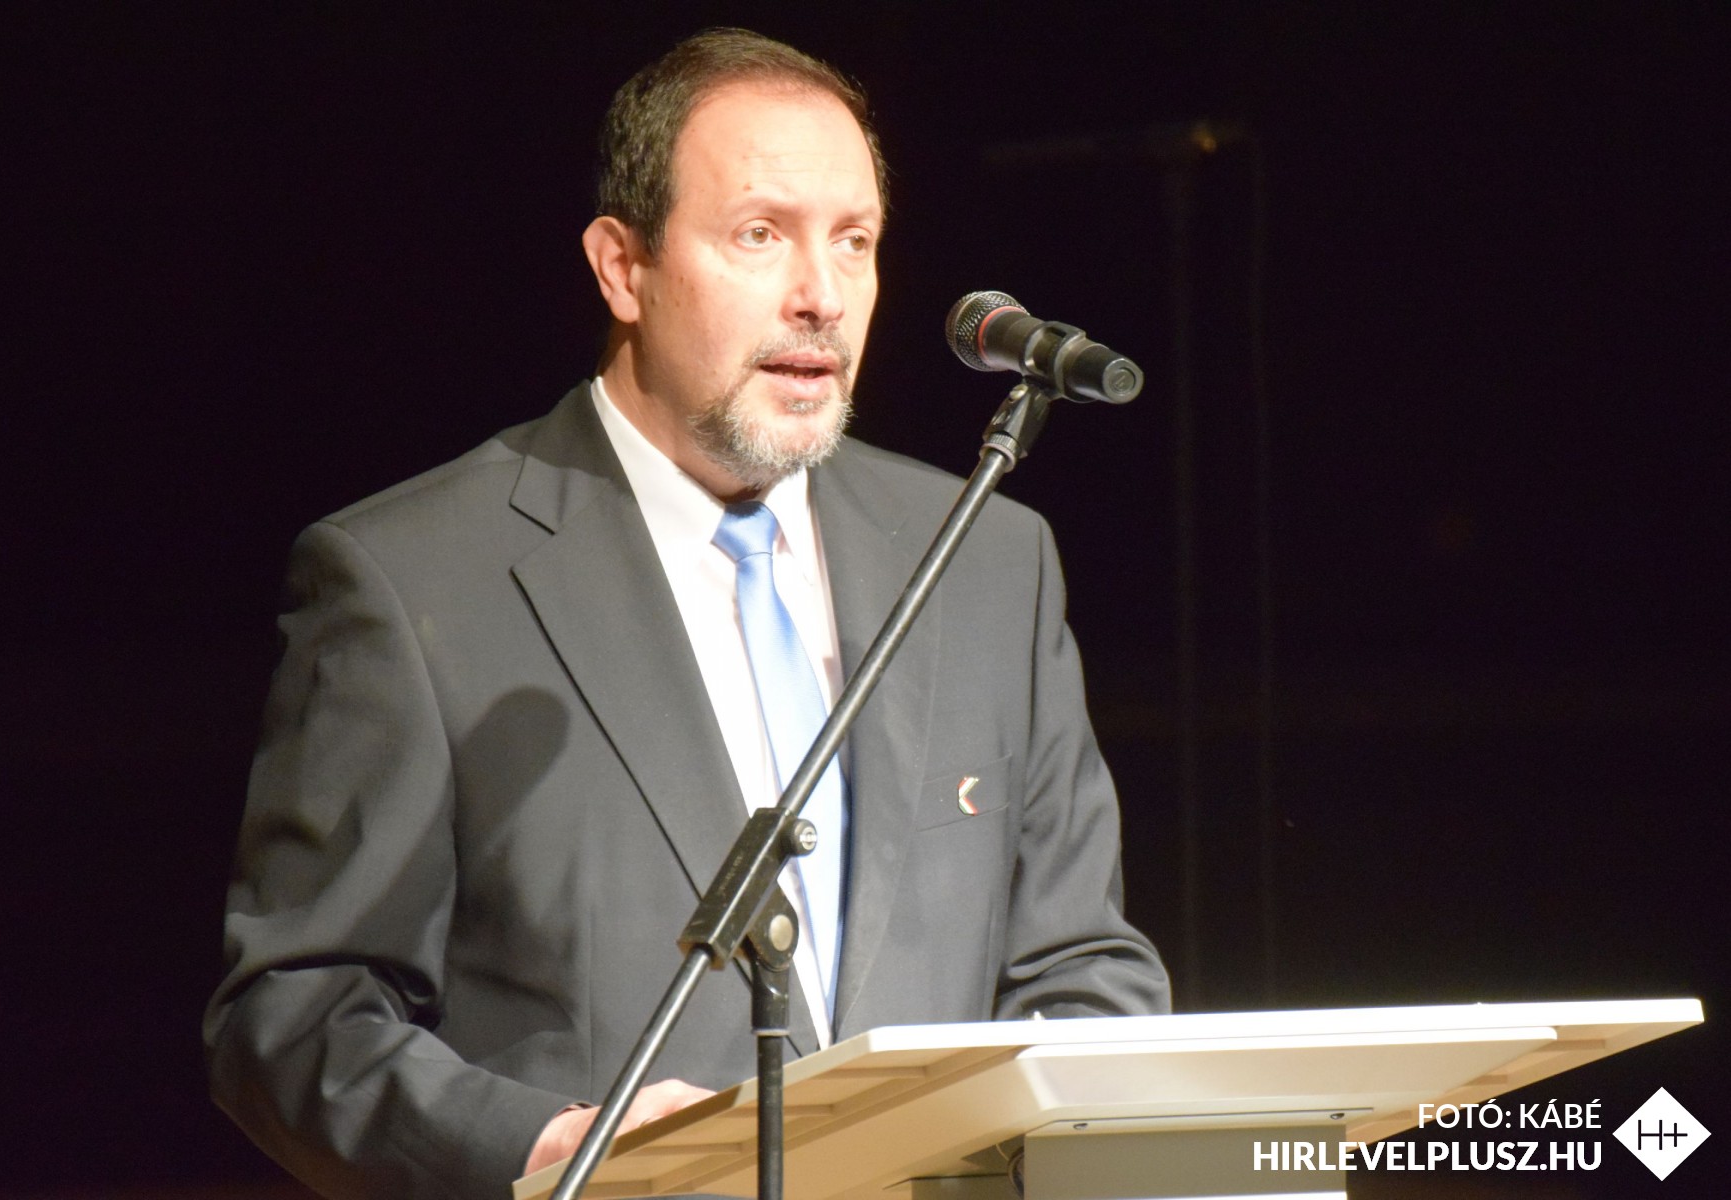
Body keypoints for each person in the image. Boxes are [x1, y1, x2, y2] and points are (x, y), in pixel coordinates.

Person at [205, 28, 1168, 1200]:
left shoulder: (983, 558)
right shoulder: (410, 581)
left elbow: (1079, 967)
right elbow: (297, 1020)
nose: (821, 297)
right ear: (624, 267)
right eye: (760, 235)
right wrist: (540, 1146)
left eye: (853, 241)